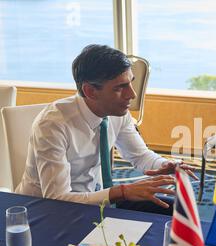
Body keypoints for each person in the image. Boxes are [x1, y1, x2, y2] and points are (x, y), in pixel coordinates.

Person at [15, 44, 197, 214]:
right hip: (43, 211)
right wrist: (122, 192)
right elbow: (58, 198)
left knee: (177, 210)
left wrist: (162, 165)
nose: (132, 95)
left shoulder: (117, 112)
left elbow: (140, 156)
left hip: (94, 199)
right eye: (120, 87)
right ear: (90, 91)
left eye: (131, 83)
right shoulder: (52, 125)